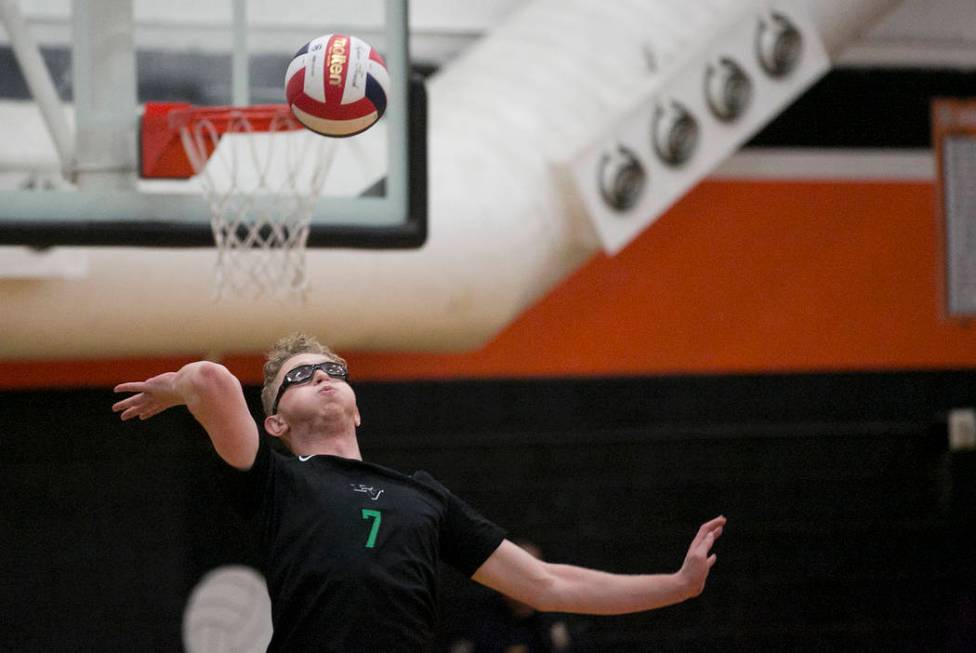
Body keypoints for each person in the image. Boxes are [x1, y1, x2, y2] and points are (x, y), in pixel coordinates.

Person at [113, 333, 726, 653]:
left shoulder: (421, 497)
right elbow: (214, 379)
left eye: (332, 370)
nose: (322, 376)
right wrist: (178, 386)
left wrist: (675, 586)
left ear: (358, 409)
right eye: (298, 377)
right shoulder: (273, 478)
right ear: (275, 423)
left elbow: (547, 585)